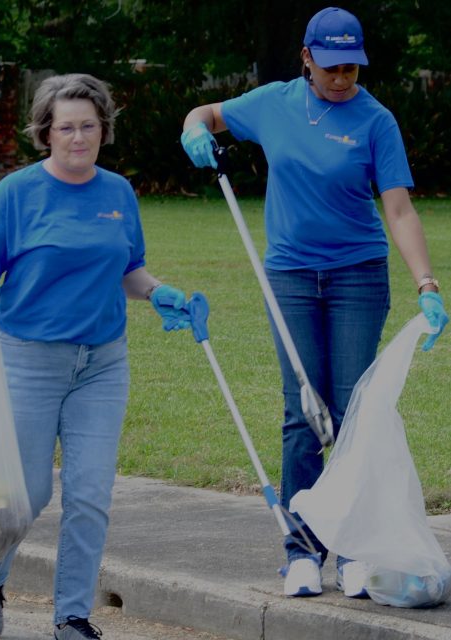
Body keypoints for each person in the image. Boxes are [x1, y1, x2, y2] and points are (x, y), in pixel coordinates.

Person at [180, 6, 448, 599]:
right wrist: (194, 129)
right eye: (331, 67)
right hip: (291, 278)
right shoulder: (274, 103)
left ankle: (354, 552)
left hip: (358, 278)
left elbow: (398, 208)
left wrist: (427, 284)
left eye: (352, 67)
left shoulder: (376, 120)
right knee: (302, 411)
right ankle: (303, 552)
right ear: (306, 58)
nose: (342, 78)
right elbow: (208, 114)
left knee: (355, 414)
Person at [0, 73, 191, 640]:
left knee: (90, 494)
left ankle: (72, 616)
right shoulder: (14, 194)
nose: (79, 137)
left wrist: (158, 292)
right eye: (66, 128)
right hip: (28, 361)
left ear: (103, 130)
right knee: (28, 494)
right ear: (46, 132)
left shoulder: (118, 193)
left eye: (89, 126)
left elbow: (129, 270)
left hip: (102, 364)